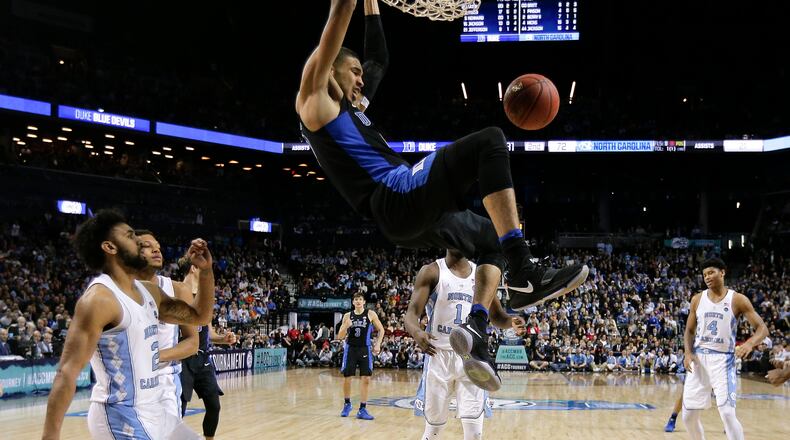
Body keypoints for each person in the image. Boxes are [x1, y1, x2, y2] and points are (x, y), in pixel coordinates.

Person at [295, 0, 588, 392]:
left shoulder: (353, 109)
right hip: (394, 194)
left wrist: (371, 6)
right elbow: (338, 14)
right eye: (355, 72)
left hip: (404, 222)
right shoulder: (315, 101)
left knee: (490, 239)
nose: (363, 80)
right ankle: (524, 269)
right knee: (490, 141)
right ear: (330, 67)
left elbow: (379, 58)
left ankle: (478, 327)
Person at [41, 210, 215, 440]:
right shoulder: (99, 299)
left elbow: (200, 317)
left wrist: (206, 271)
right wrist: (49, 437)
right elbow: (66, 373)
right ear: (110, 247)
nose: (138, 242)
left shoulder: (150, 291)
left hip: (157, 413)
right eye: (131, 236)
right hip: (120, 416)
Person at [405, 249, 526, 440]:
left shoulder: (482, 273)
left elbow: (495, 315)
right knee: (433, 430)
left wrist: (510, 321)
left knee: (474, 432)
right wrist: (416, 332)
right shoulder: (432, 271)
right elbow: (411, 313)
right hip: (438, 356)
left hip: (471, 357)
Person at [681, 258, 768, 440]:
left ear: (723, 272)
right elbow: (689, 331)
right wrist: (688, 353)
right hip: (699, 360)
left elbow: (762, 329)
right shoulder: (697, 299)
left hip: (723, 360)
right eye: (704, 274)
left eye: (711, 272)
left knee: (727, 413)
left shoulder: (737, 299)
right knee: (688, 416)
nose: (707, 277)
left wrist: (749, 343)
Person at [135, 230, 201, 438]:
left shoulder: (177, 289)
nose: (156, 249)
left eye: (158, 246)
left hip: (164, 381)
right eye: (146, 245)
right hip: (128, 380)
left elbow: (192, 342)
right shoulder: (116, 291)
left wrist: (156, 357)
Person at [179, 264, 238, 440]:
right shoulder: (177, 293)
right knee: (178, 410)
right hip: (182, 359)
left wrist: (223, 339)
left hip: (203, 359)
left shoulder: (204, 297)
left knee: (214, 405)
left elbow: (209, 332)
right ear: (193, 268)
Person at [336, 292, 385, 420]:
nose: (358, 301)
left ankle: (362, 409)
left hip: (365, 349)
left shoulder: (370, 314)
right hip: (350, 349)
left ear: (364, 302)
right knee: (347, 378)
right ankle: (347, 404)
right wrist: (345, 326)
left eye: (360, 299)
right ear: (353, 302)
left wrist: (378, 344)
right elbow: (339, 336)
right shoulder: (347, 316)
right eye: (356, 299)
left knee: (366, 379)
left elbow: (381, 329)